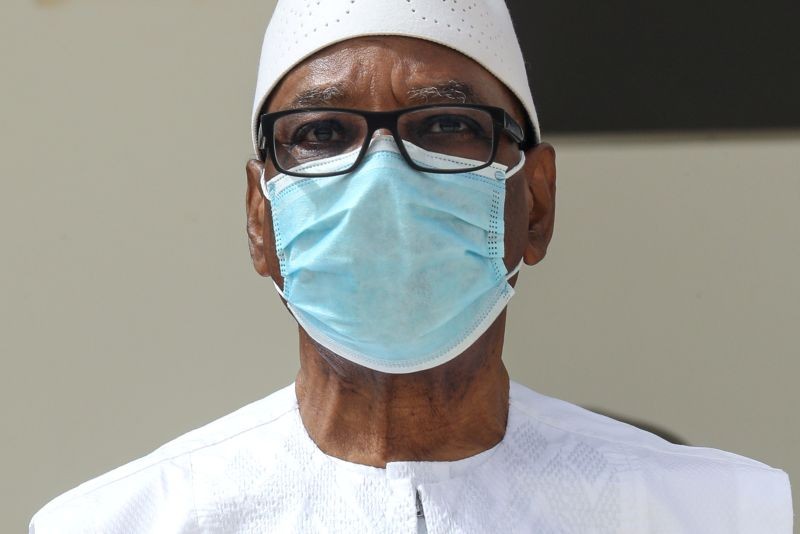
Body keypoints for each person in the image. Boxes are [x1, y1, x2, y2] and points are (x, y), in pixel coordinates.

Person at [30, 0, 793, 532]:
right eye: (323, 133)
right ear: (260, 217)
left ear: (538, 202)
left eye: (448, 126)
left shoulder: (722, 514)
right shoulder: (126, 521)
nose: (383, 179)